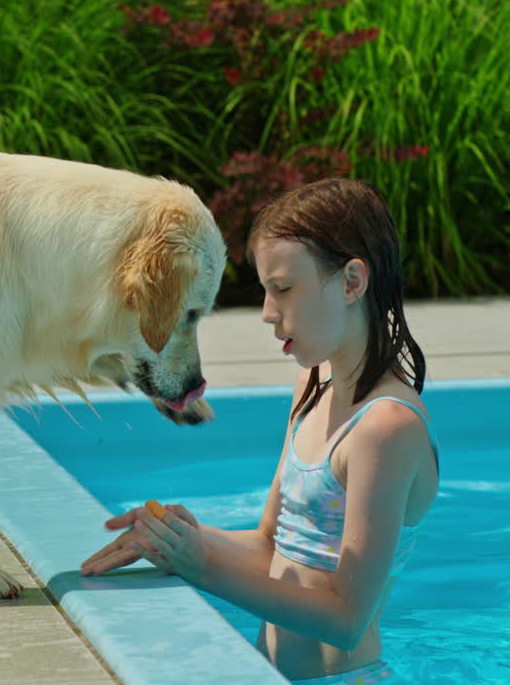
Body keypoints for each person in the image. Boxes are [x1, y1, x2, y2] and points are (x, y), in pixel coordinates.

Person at [81, 178, 439, 685]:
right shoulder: (313, 385)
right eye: (266, 291)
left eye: (284, 289)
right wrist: (177, 538)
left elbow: (345, 619)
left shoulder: (386, 427)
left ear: (352, 282)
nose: (269, 313)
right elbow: (271, 548)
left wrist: (202, 567)